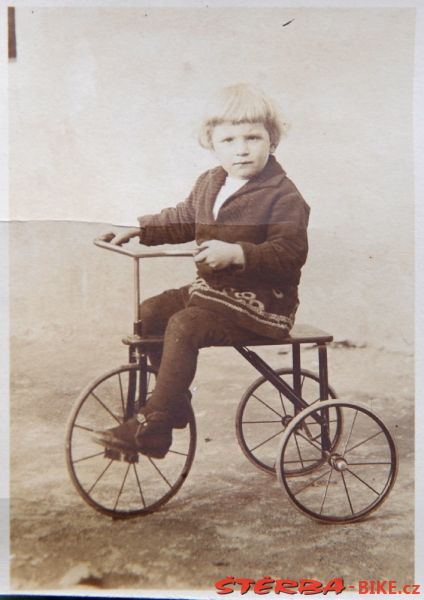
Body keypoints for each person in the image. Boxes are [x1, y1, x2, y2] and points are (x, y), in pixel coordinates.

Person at [94, 83, 310, 458]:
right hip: (211, 292)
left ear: (272, 142)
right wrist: (141, 229)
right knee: (149, 314)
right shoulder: (211, 183)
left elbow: (290, 252)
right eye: (228, 140)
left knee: (185, 324)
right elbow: (182, 219)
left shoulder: (283, 195)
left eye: (253, 137)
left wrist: (239, 254)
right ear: (212, 144)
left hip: (262, 305)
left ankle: (155, 420)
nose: (241, 148)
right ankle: (173, 401)